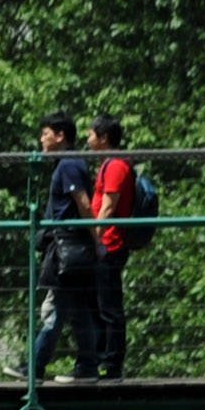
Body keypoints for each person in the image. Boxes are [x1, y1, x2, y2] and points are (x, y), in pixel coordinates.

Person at [30, 112, 100, 381]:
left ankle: (35, 367)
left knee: (56, 309)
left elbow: (84, 204)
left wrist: (97, 240)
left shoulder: (69, 164)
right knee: (78, 309)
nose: (42, 139)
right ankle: (88, 367)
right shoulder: (66, 163)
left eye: (45, 133)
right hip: (70, 246)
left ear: (60, 137)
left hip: (67, 248)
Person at [79, 114, 144, 377]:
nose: (88, 138)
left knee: (109, 307)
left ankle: (113, 364)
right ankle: (106, 360)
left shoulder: (116, 165)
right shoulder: (110, 163)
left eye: (91, 133)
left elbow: (108, 207)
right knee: (102, 305)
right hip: (106, 244)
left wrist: (97, 240)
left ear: (103, 138)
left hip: (109, 245)